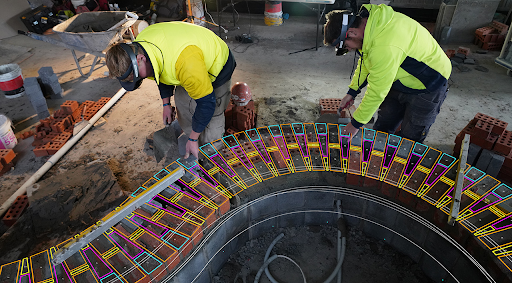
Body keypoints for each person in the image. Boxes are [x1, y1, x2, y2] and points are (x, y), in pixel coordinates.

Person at [105, 21, 236, 159]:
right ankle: (192, 140)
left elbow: (207, 103)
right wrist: (166, 104)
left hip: (218, 64)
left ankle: (210, 153)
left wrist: (193, 139)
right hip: (188, 60)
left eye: (136, 76)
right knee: (182, 99)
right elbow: (159, 71)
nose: (137, 80)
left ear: (140, 59)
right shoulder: (141, 46)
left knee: (213, 113)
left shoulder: (185, 64)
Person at [323, 4, 451, 143]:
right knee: (385, 124)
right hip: (399, 77)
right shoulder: (371, 25)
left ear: (352, 33)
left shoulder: (384, 45)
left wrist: (355, 125)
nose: (349, 50)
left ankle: (404, 161)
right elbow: (366, 60)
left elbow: (377, 91)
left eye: (346, 47)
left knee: (411, 136)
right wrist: (352, 91)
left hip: (428, 82)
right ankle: (380, 157)